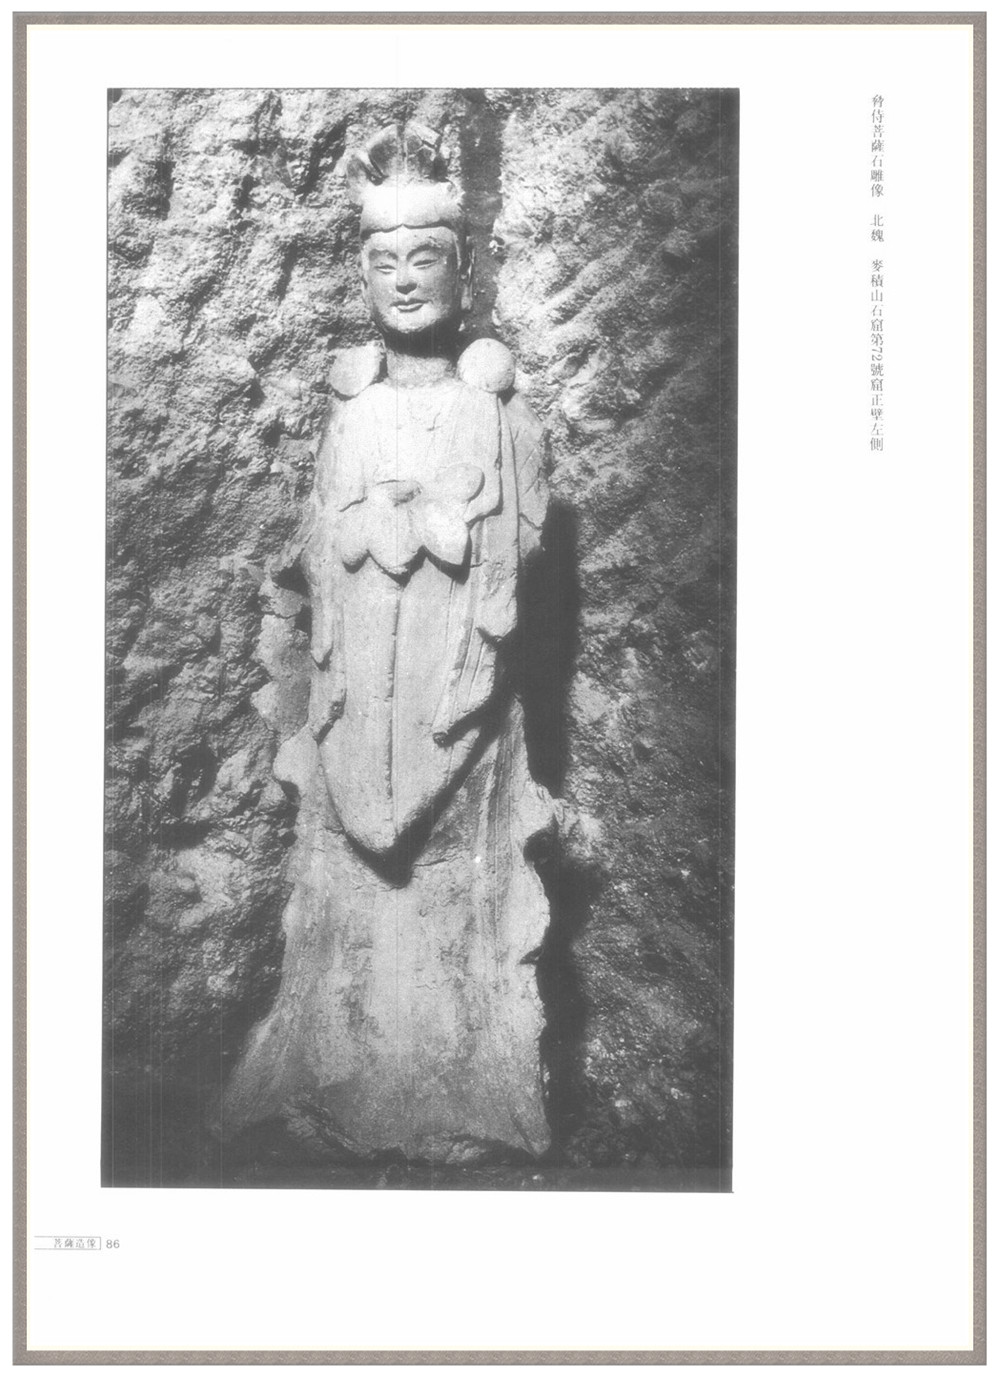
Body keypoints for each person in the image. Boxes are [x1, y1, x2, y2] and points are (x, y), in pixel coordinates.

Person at [222, 124, 552, 1165]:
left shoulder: (498, 413)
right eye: (383, 262)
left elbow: (522, 543)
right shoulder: (351, 409)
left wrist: (446, 532)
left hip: (457, 686)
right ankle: (323, 1065)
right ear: (361, 275)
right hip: (357, 685)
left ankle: (467, 1082)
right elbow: (316, 543)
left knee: (458, 877)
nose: (404, 280)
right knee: (347, 877)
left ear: (463, 269)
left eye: (425, 258)